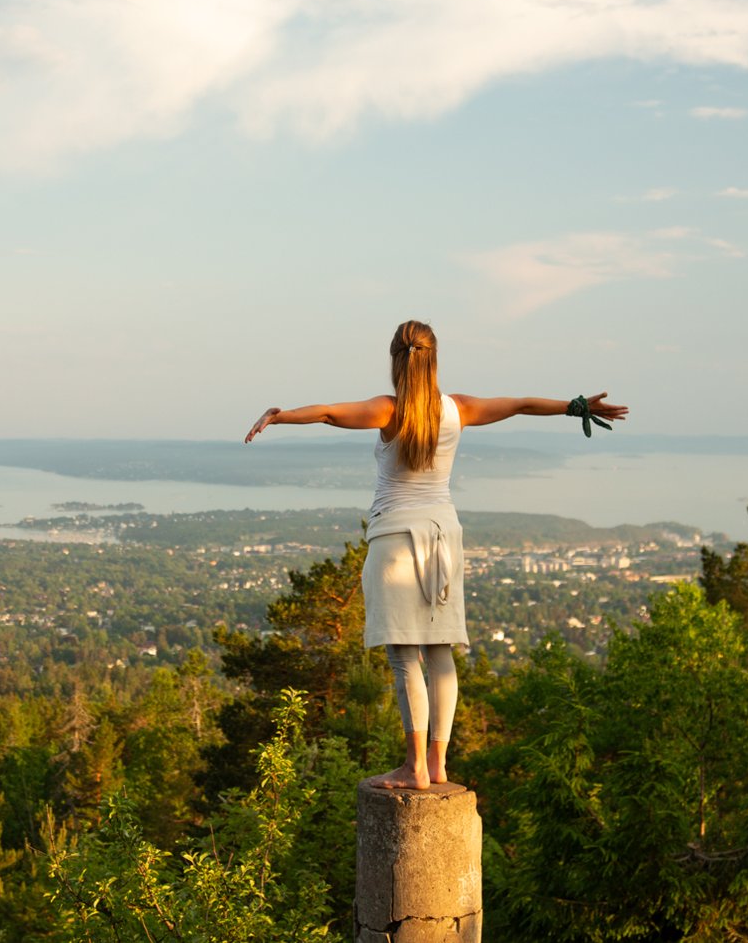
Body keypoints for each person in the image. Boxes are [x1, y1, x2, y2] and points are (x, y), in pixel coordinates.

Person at [244, 320, 627, 790]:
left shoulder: (388, 411)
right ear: (434, 357)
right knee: (440, 652)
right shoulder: (457, 409)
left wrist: (279, 416)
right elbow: (523, 405)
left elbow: (326, 414)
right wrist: (578, 406)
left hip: (395, 540)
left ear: (394, 359)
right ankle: (439, 763)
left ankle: (414, 768)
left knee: (405, 657)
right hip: (444, 536)